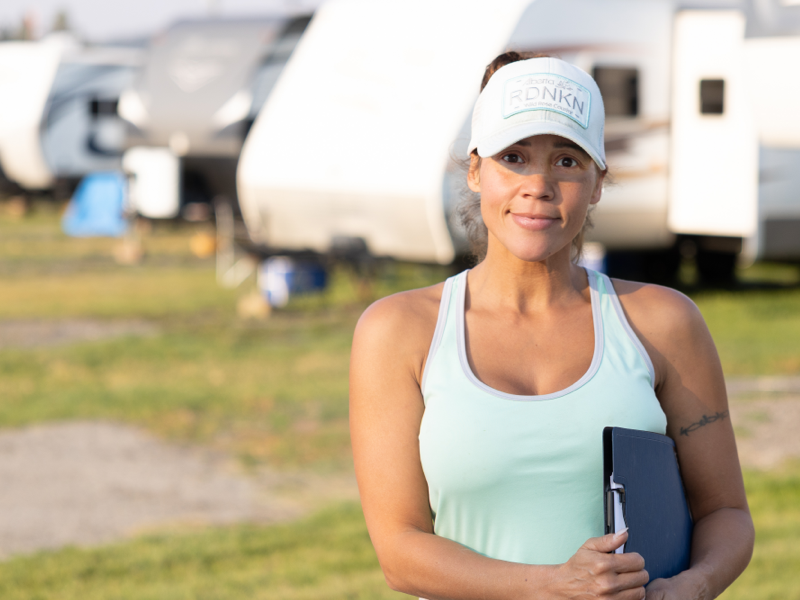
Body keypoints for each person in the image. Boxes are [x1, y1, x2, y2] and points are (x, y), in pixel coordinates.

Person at [349, 52, 754, 600]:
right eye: (513, 157)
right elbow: (400, 551)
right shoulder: (398, 332)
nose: (537, 184)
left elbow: (726, 513)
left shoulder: (663, 323)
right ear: (475, 170)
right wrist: (553, 587)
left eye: (567, 161)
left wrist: (694, 586)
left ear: (598, 182)